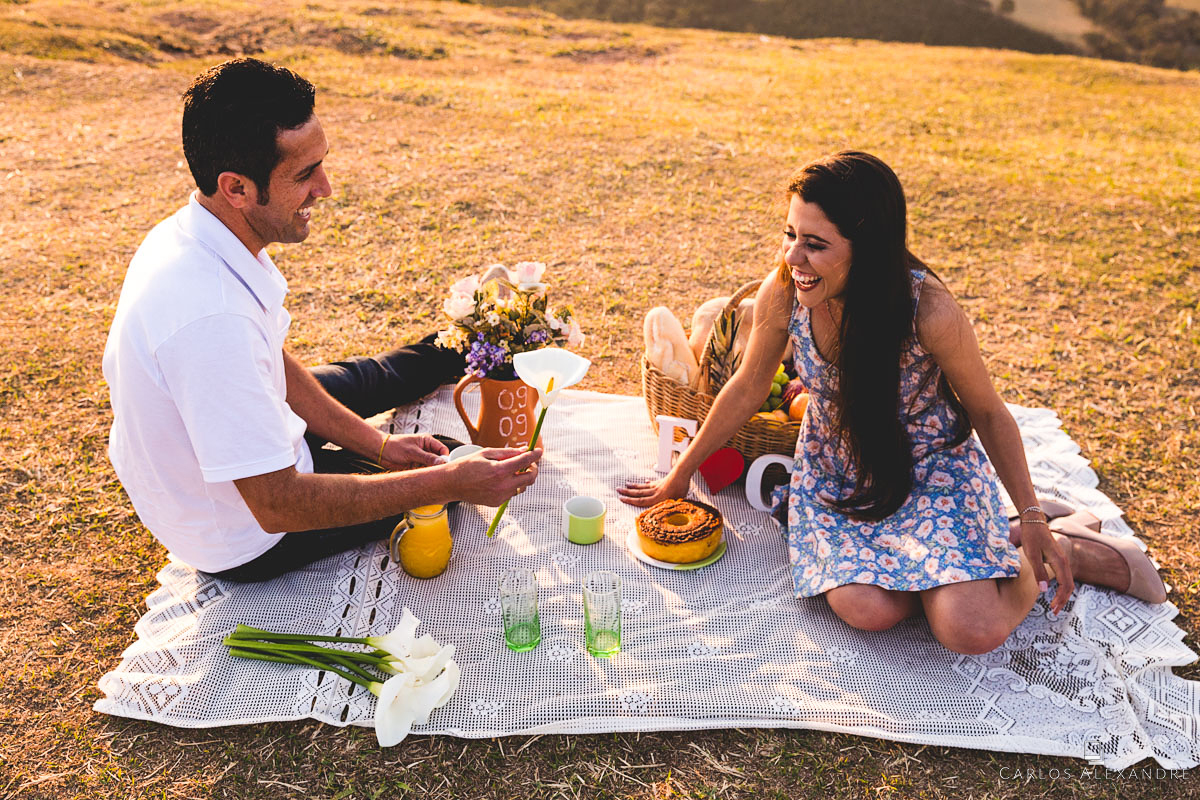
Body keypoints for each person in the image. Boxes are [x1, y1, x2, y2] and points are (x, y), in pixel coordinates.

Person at [620, 151, 1165, 655]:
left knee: (967, 629)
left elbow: (989, 412)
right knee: (870, 609)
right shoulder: (784, 290)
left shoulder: (929, 310)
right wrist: (679, 476)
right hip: (839, 470)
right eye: (790, 234)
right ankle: (984, 548)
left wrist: (1029, 511)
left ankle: (1055, 543)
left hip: (930, 466)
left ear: (869, 246)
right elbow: (743, 387)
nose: (793, 256)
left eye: (815, 243)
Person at [103, 58, 540, 582]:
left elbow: (273, 365)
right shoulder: (211, 319)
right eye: (305, 174)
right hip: (244, 533)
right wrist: (446, 485)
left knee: (376, 387)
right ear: (236, 187)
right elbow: (278, 504)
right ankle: (468, 364)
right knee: (448, 466)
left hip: (232, 443)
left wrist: (378, 444)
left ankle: (469, 338)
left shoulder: (196, 230)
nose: (326, 188)